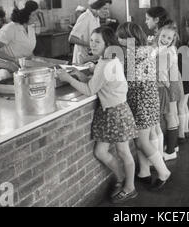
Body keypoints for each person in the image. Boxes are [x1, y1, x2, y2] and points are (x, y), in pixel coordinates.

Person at [57, 27, 138, 203]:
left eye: (97, 41)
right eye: (91, 40)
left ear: (108, 44)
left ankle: (130, 188)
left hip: (116, 112)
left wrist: (69, 79)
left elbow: (90, 90)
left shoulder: (106, 63)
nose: (92, 44)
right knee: (101, 152)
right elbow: (99, 83)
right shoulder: (107, 60)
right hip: (110, 111)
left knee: (123, 152)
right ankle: (121, 177)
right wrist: (80, 75)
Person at [116, 22, 172, 190]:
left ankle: (163, 172)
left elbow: (131, 83)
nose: (118, 40)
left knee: (141, 142)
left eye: (120, 37)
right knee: (141, 139)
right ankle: (144, 173)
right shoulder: (144, 49)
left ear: (128, 38)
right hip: (147, 99)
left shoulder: (134, 54)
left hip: (141, 101)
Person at [156, 21, 185, 159]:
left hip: (169, 85)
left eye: (168, 38)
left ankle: (171, 151)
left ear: (173, 39)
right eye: (163, 36)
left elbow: (162, 73)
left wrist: (166, 86)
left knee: (169, 115)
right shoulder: (169, 49)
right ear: (158, 34)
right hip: (173, 82)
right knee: (171, 114)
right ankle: (174, 146)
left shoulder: (165, 52)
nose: (165, 39)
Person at [69, 0, 112, 65]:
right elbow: (72, 38)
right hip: (82, 58)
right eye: (105, 8)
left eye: (108, 9)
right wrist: (91, 45)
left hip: (91, 57)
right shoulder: (85, 17)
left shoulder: (96, 17)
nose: (107, 11)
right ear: (96, 7)